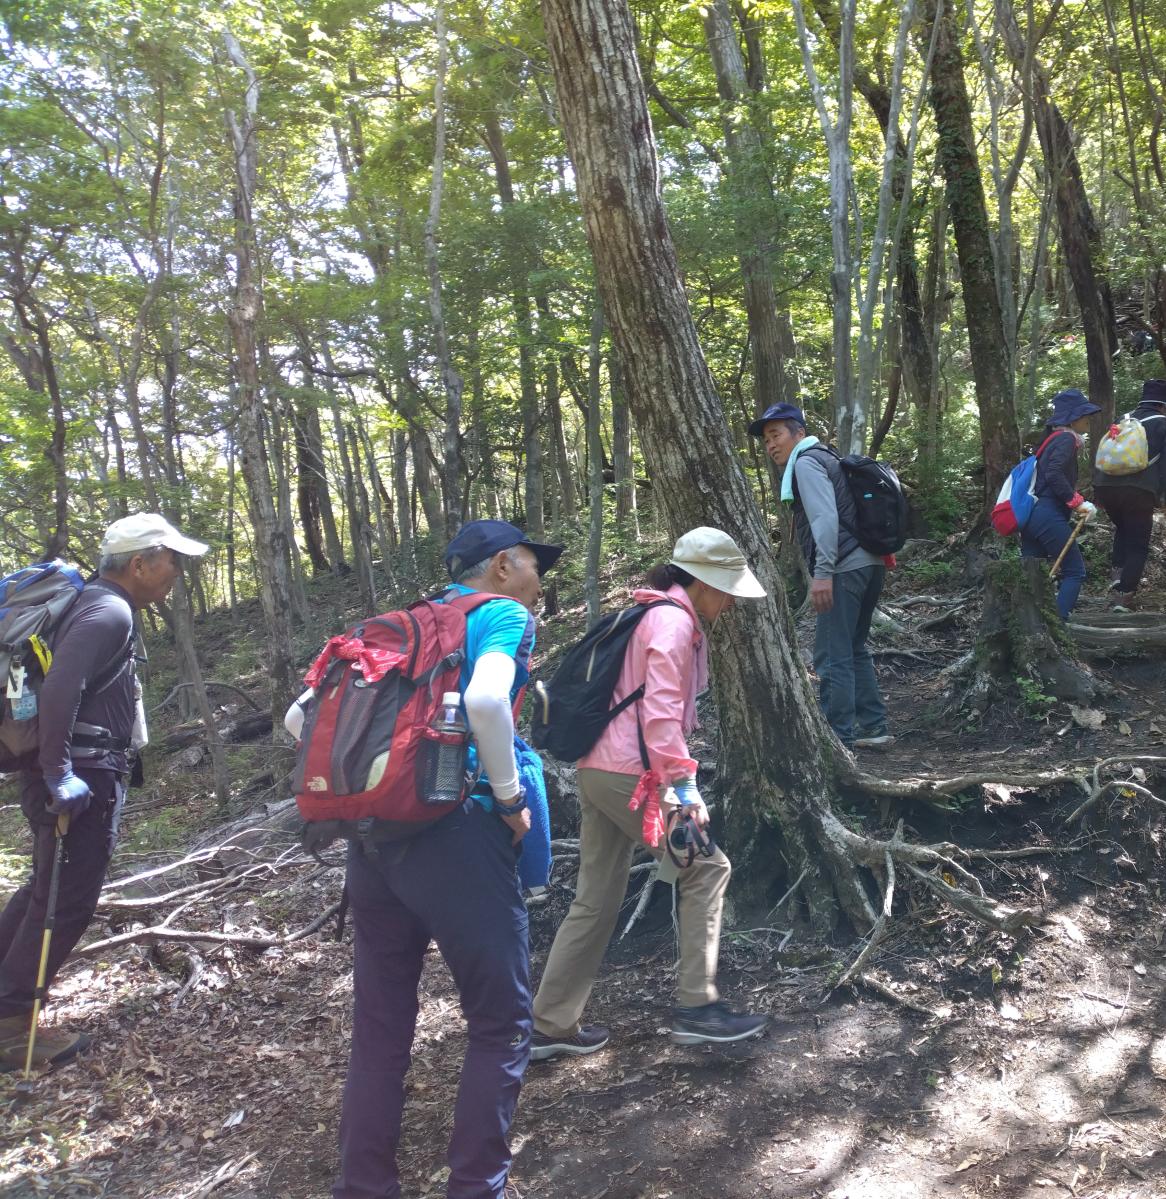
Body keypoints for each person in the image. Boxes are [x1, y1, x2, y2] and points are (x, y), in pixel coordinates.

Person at [296, 519, 562, 1199]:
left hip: (374, 842)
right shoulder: (501, 614)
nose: (540, 579)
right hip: (457, 832)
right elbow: (484, 700)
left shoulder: (394, 623)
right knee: (500, 1021)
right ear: (502, 565)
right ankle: (477, 1188)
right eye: (535, 564)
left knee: (381, 1027)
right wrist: (507, 799)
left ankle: (363, 1186)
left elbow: (301, 719)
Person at [531, 528, 770, 1056]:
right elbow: (659, 718)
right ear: (703, 582)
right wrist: (684, 789)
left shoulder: (652, 613)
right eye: (726, 587)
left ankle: (548, 1025)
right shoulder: (673, 622)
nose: (730, 599)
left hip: (598, 770)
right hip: (631, 777)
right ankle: (697, 1008)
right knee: (708, 868)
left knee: (595, 899)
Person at [0, 513, 208, 1072]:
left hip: (79, 767)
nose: (176, 573)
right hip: (81, 774)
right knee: (66, 899)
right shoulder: (109, 610)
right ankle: (12, 1028)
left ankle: (6, 1004)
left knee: (45, 888)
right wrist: (58, 772)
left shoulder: (97, 604)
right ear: (139, 563)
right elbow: (62, 687)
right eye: (171, 561)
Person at [751, 403, 891, 750]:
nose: (771, 445)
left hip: (843, 566)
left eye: (776, 435)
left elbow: (825, 519)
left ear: (798, 432)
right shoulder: (827, 457)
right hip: (869, 563)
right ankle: (873, 727)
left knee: (831, 654)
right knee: (854, 648)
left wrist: (823, 574)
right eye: (766, 440)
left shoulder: (807, 463)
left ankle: (838, 739)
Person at [1091, 379, 1166, 604]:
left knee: (1123, 527)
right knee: (1138, 543)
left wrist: (1098, 490)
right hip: (1138, 491)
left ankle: (1117, 574)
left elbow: (1108, 453)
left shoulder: (1122, 420)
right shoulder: (1165, 425)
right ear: (1164, 404)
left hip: (1106, 487)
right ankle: (1124, 595)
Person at [1022, 388, 1100, 621]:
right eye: (1085, 415)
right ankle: (1056, 627)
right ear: (1073, 418)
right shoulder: (1066, 439)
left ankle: (1030, 626)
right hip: (1047, 513)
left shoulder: (1050, 440)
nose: (1088, 420)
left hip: (1031, 516)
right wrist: (1077, 502)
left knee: (1031, 575)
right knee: (1074, 572)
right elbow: (1055, 474)